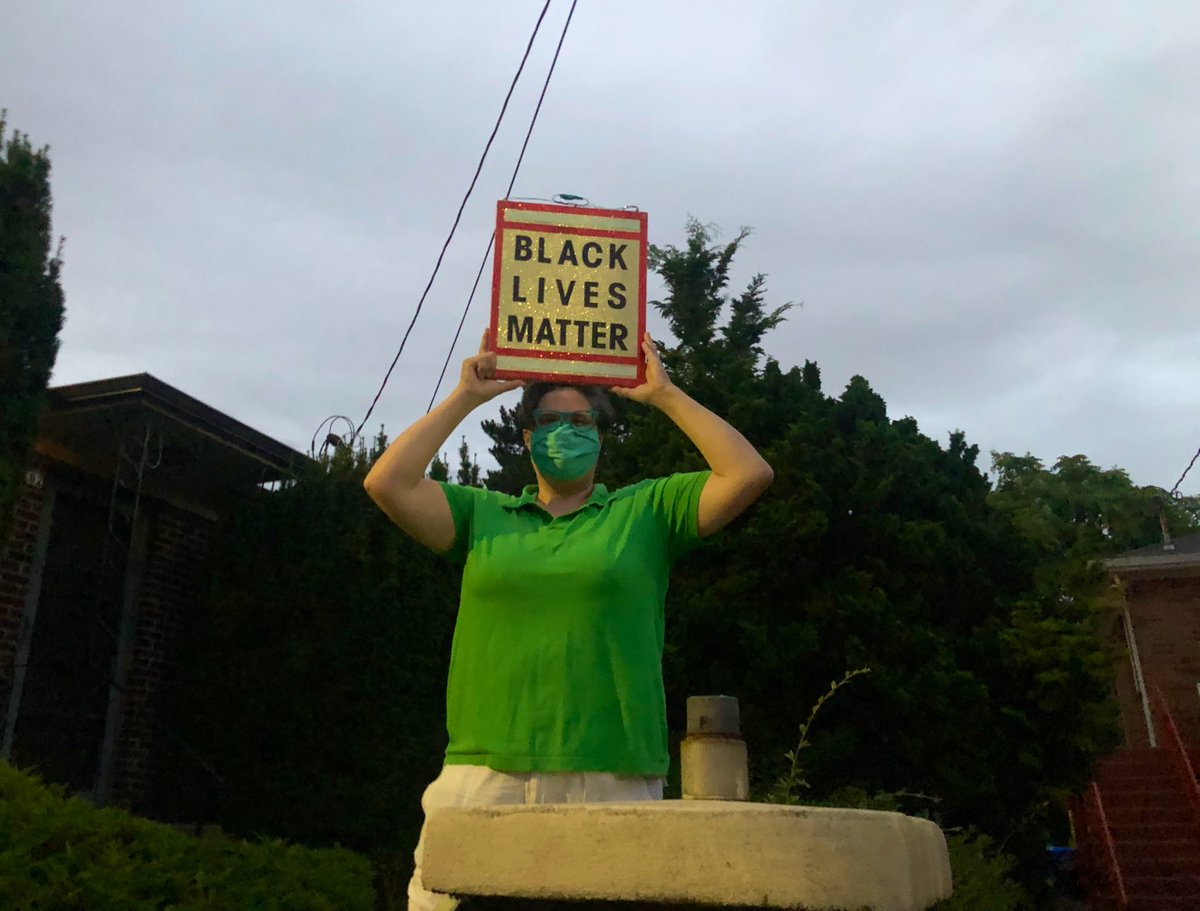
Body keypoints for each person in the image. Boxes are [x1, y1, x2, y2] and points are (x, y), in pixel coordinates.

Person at [363, 329, 773, 911]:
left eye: (581, 423)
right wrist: (466, 397)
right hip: (483, 774)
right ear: (527, 438)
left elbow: (747, 474)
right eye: (551, 423)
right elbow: (386, 482)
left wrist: (664, 395)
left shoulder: (647, 511)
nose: (566, 434)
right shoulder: (482, 514)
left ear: (602, 438)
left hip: (613, 775)